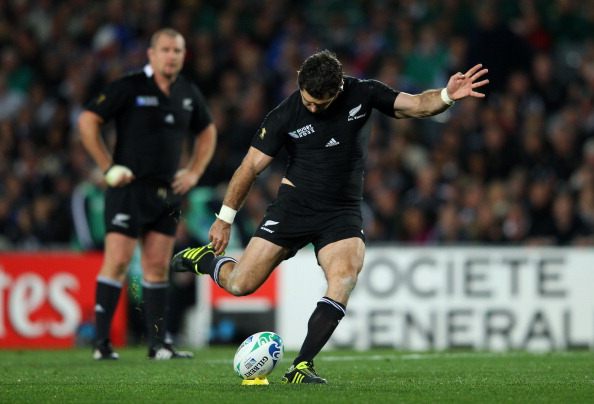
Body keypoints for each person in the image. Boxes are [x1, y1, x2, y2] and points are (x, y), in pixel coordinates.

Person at [171, 50, 488, 381]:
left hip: (341, 211)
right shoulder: (286, 113)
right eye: (307, 101)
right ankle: (205, 261)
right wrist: (224, 218)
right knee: (240, 285)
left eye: (319, 104)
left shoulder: (363, 93)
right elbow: (249, 167)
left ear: (338, 88)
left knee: (345, 276)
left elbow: (418, 105)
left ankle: (302, 365)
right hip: (294, 207)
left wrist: (448, 95)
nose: (311, 108)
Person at [78, 28, 217, 360]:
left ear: (184, 56)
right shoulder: (129, 86)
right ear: (151, 54)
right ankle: (101, 344)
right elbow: (88, 121)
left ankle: (158, 344)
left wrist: (195, 172)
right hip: (129, 189)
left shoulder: (187, 92)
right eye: (166, 49)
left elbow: (208, 130)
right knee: (119, 261)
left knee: (156, 267)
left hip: (167, 192)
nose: (172, 56)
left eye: (178, 50)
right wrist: (107, 167)